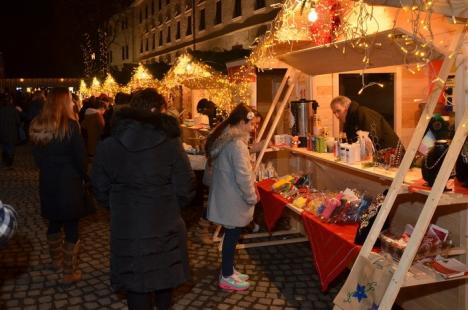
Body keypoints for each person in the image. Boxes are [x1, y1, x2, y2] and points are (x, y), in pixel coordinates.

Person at [91, 88, 195, 310]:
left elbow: (99, 187)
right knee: (164, 279)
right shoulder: (171, 142)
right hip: (164, 221)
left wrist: (117, 206)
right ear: (156, 110)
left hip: (128, 225)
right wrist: (171, 206)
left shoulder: (109, 145)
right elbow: (185, 185)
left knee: (135, 283)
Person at [29, 87, 87, 284]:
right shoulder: (71, 126)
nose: (72, 102)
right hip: (69, 183)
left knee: (54, 221)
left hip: (48, 181)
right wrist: (84, 177)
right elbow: (81, 159)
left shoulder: (37, 125)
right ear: (63, 102)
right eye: (70, 99)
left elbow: (36, 158)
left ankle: (56, 261)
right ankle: (68, 272)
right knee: (71, 226)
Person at [205, 103, 259, 291]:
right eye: (252, 125)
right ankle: (226, 275)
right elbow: (243, 176)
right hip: (233, 199)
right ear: (243, 122)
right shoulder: (236, 145)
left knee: (230, 235)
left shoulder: (226, 139)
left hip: (226, 196)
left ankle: (228, 270)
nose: (253, 129)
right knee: (231, 237)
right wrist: (252, 197)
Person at [330, 96, 400, 149]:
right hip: (379, 158)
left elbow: (373, 139)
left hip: (393, 156)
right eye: (334, 113)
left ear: (347, 107)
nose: (337, 115)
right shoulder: (349, 121)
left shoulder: (362, 113)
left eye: (338, 111)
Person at [0, 93, 20, 168]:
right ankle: (9, 161)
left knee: (5, 145)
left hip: (2, 131)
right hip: (11, 131)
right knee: (11, 147)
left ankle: (5, 157)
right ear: (11, 101)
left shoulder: (1, 109)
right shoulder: (14, 110)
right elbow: (18, 121)